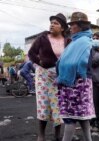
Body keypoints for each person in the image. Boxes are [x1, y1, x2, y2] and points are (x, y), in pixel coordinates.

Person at [28, 13, 68, 141]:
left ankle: (57, 134)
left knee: (58, 106)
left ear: (62, 28)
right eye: (51, 22)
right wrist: (40, 63)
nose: (52, 24)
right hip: (43, 76)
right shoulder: (43, 38)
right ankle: (41, 135)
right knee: (44, 105)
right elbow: (31, 53)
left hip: (59, 77)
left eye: (56, 23)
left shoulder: (68, 41)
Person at [56, 12, 95, 141]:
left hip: (76, 84)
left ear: (79, 26)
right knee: (82, 116)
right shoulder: (77, 41)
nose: (70, 27)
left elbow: (80, 63)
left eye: (72, 25)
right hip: (79, 83)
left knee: (70, 118)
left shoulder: (83, 41)